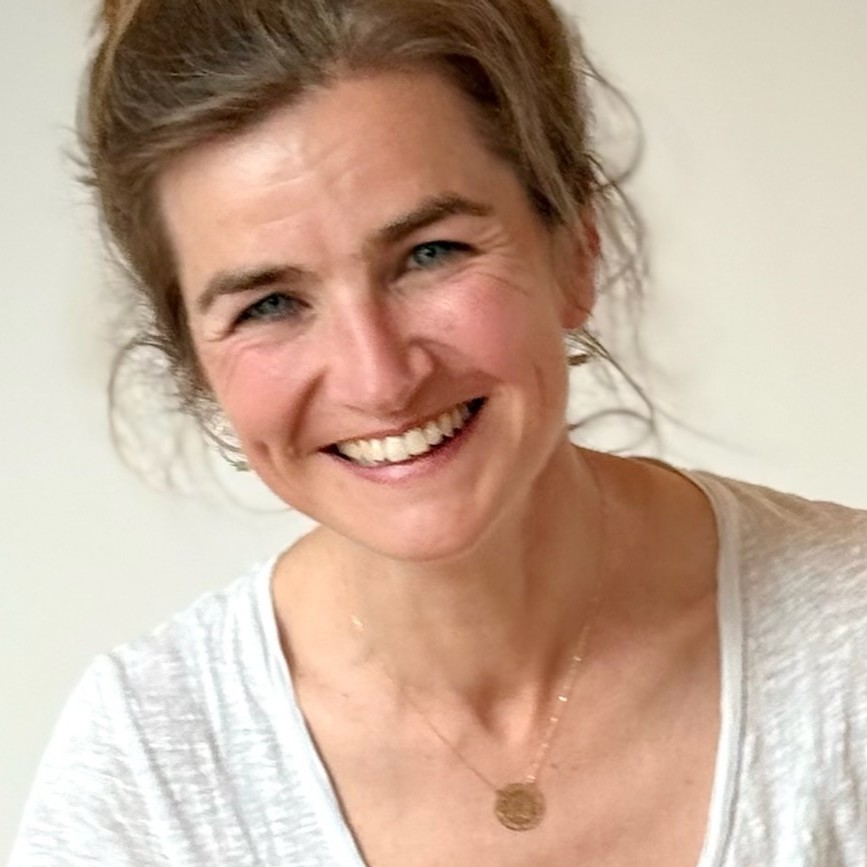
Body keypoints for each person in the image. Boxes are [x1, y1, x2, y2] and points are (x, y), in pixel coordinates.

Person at [9, 0, 867, 865]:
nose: (379, 379)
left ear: (576, 248)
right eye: (269, 304)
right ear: (196, 362)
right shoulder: (148, 772)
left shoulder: (846, 642)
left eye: (431, 253)